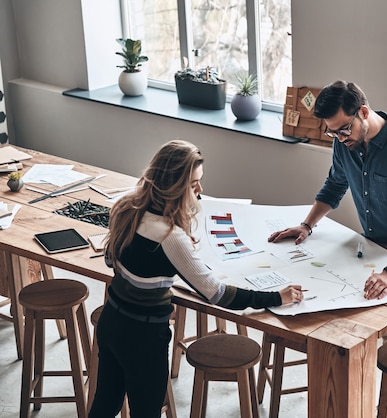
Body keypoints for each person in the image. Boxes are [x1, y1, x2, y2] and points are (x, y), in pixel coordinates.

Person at [89, 140, 303, 418]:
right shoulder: (170, 236)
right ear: (172, 187)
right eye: (193, 184)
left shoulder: (125, 207)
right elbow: (218, 294)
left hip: (111, 323)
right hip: (143, 338)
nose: (200, 190)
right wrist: (277, 297)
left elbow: (110, 260)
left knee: (105, 404)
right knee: (146, 412)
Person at [268, 80, 387, 418]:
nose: (340, 138)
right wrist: (307, 225)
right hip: (373, 245)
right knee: (359, 328)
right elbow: (335, 183)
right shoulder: (345, 143)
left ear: (364, 112)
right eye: (333, 133)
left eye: (344, 129)